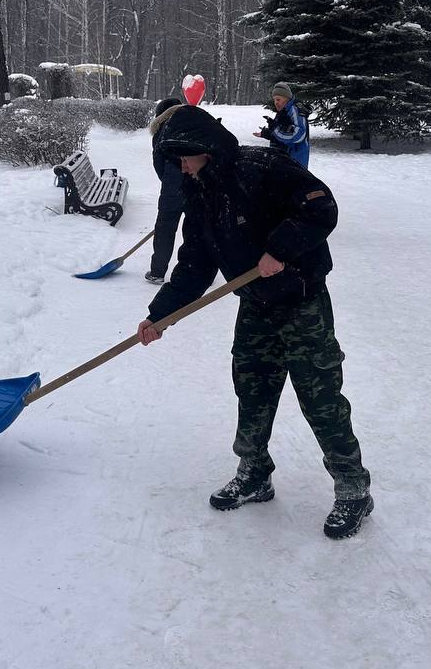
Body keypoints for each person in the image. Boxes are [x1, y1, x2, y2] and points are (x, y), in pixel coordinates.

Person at [138, 104, 373, 539]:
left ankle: (354, 488)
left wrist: (281, 249)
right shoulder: (201, 192)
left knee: (320, 399)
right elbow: (195, 261)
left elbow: (321, 208)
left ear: (201, 148)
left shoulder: (261, 166)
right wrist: (160, 315)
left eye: (183, 159)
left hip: (302, 303)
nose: (181, 168)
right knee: (252, 391)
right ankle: (255, 473)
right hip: (256, 307)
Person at [145, 98, 185, 284]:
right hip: (199, 185)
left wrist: (170, 181)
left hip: (172, 187)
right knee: (198, 229)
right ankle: (200, 272)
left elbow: (158, 164)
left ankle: (157, 271)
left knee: (165, 229)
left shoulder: (161, 131)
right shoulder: (192, 126)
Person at [254, 82, 310, 167]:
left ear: (287, 99)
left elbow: (299, 135)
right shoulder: (284, 111)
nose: (275, 102)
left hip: (295, 162)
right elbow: (282, 134)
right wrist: (267, 133)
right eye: (274, 100)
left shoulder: (295, 110)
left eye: (278, 99)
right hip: (285, 161)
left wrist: (275, 129)